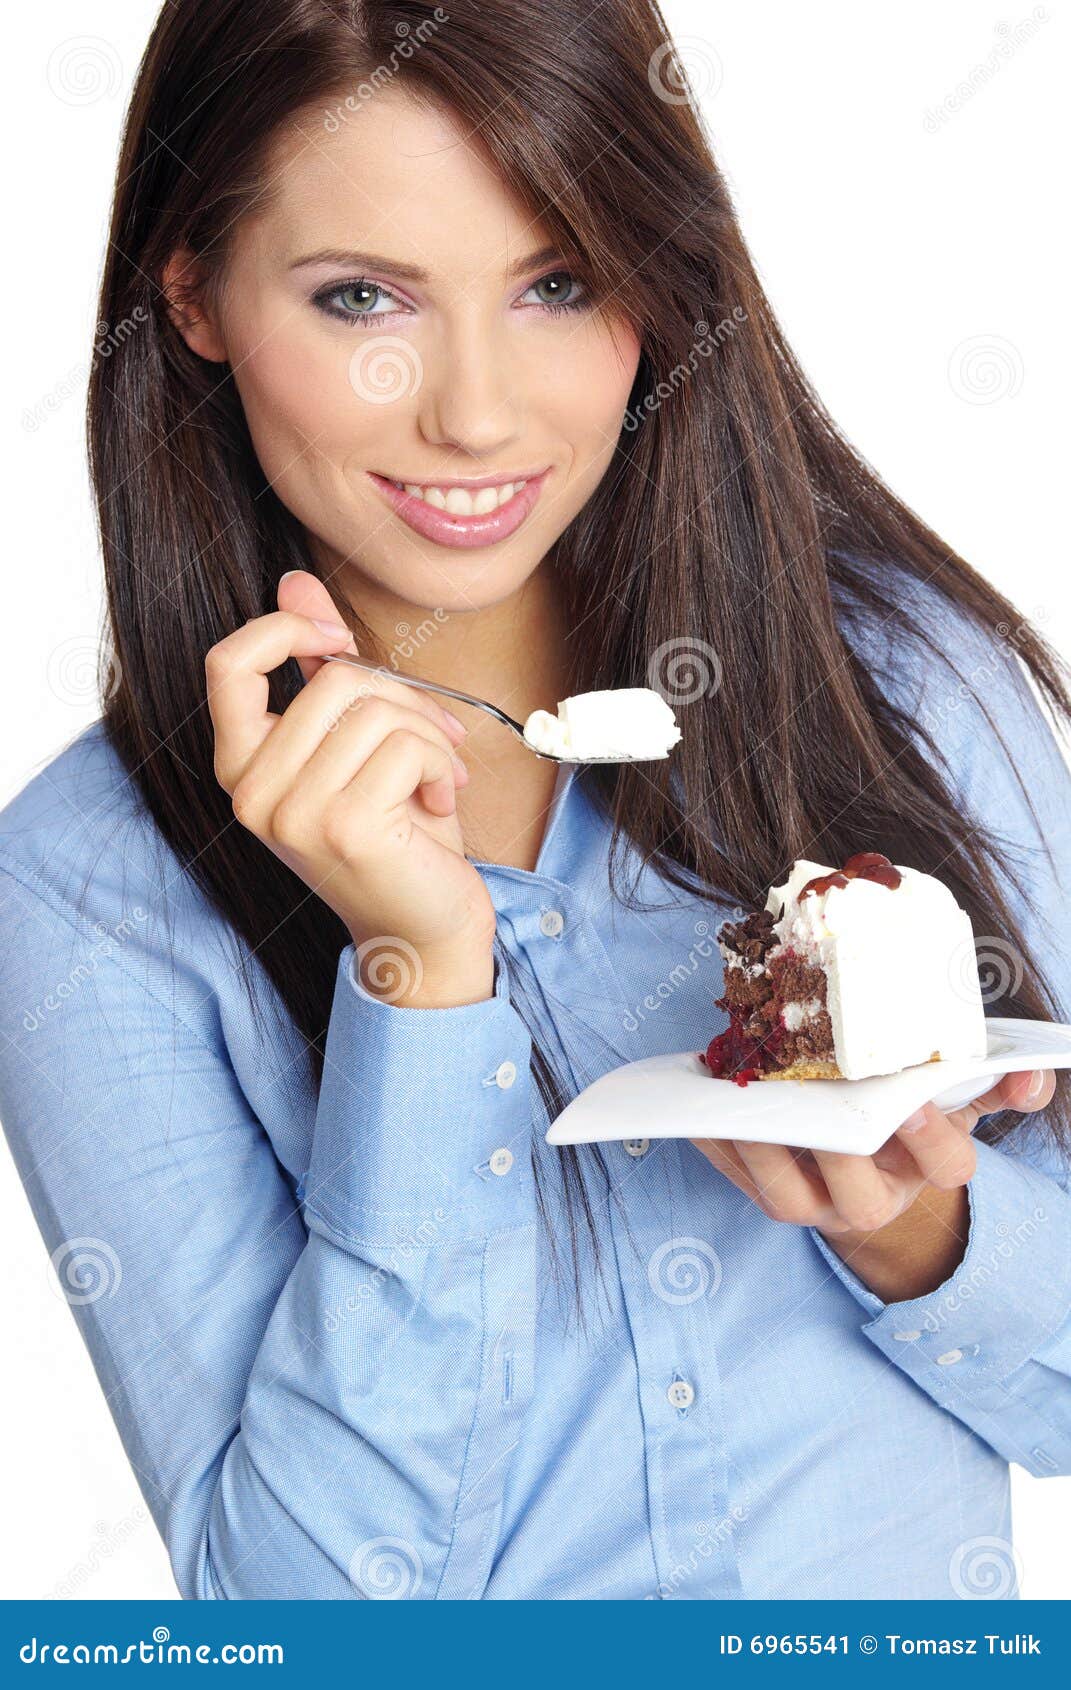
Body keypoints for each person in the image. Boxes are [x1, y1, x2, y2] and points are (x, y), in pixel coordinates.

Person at [1, 0, 1069, 1600]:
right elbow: (302, 1620)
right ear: (194, 292)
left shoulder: (901, 681)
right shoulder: (84, 888)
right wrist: (420, 987)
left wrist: (917, 1237)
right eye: (363, 297)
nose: (479, 414)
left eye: (558, 282)